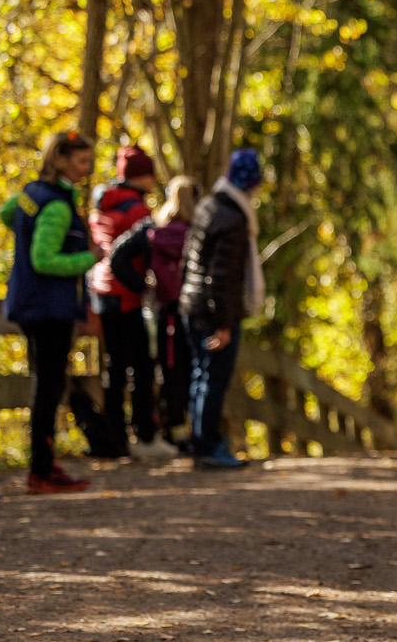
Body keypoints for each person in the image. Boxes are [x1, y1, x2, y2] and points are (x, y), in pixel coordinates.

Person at [0, 131, 101, 494]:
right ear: (60, 160)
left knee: (45, 384)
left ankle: (44, 464)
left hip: (30, 303)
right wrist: (90, 258)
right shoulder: (57, 206)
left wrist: (25, 233)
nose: (85, 169)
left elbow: (6, 213)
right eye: (80, 161)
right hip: (49, 308)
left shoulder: (31, 194)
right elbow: (44, 260)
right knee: (49, 386)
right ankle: (41, 469)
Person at [179, 150, 265, 471]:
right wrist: (223, 324)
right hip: (212, 311)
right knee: (213, 377)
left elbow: (191, 261)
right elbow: (222, 277)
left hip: (194, 304)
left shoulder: (208, 206)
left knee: (201, 374)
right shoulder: (233, 218)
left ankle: (202, 440)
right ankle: (207, 443)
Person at [89, 146, 168, 459]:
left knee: (115, 366)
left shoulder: (102, 204)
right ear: (141, 176)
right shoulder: (137, 210)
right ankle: (144, 435)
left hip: (101, 291)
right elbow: (138, 252)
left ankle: (115, 436)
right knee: (142, 367)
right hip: (127, 296)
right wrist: (145, 284)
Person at [145, 176, 199, 448]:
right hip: (188, 309)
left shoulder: (156, 234)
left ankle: (175, 430)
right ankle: (190, 431)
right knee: (190, 370)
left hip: (164, 309)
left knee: (169, 370)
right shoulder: (194, 234)